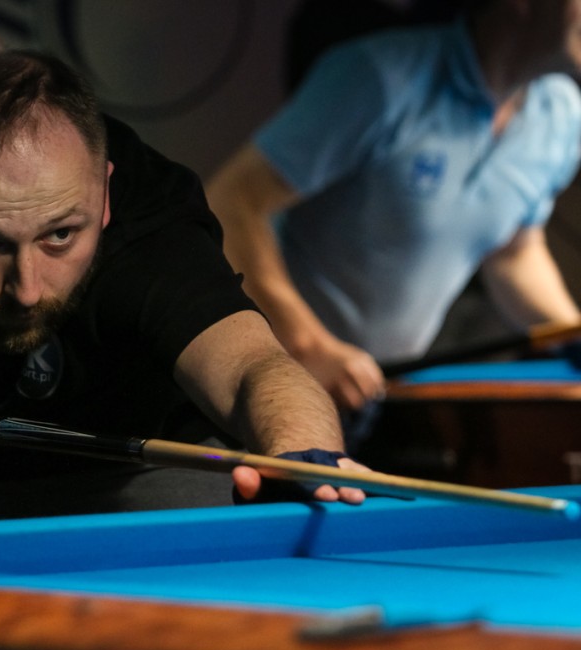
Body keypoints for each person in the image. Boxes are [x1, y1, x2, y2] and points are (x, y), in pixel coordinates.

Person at [0, 50, 369, 528]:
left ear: (103, 197)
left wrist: (300, 452)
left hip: (136, 470)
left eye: (59, 236)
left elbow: (253, 368)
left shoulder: (149, 241)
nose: (27, 290)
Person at [205, 0, 581, 430]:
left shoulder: (563, 115)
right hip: (266, 382)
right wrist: (308, 345)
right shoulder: (378, 75)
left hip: (379, 396)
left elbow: (513, 252)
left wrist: (569, 331)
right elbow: (232, 202)